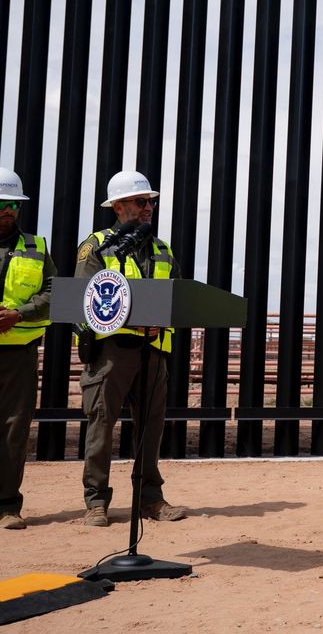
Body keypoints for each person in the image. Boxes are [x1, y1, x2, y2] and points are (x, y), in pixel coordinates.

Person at [75, 170, 185, 526]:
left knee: (151, 427)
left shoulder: (162, 250)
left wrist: (161, 321)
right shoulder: (96, 246)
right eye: (140, 201)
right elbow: (83, 301)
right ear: (119, 206)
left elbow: (179, 298)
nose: (148, 207)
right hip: (111, 352)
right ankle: (96, 502)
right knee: (101, 424)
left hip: (154, 349)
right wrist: (130, 321)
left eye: (150, 201)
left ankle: (150, 499)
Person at [0, 169, 55, 530]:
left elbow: (55, 292)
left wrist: (19, 313)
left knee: (13, 429)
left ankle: (7, 506)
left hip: (18, 353)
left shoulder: (37, 248)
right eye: (1, 204)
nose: (8, 211)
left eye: (13, 205)